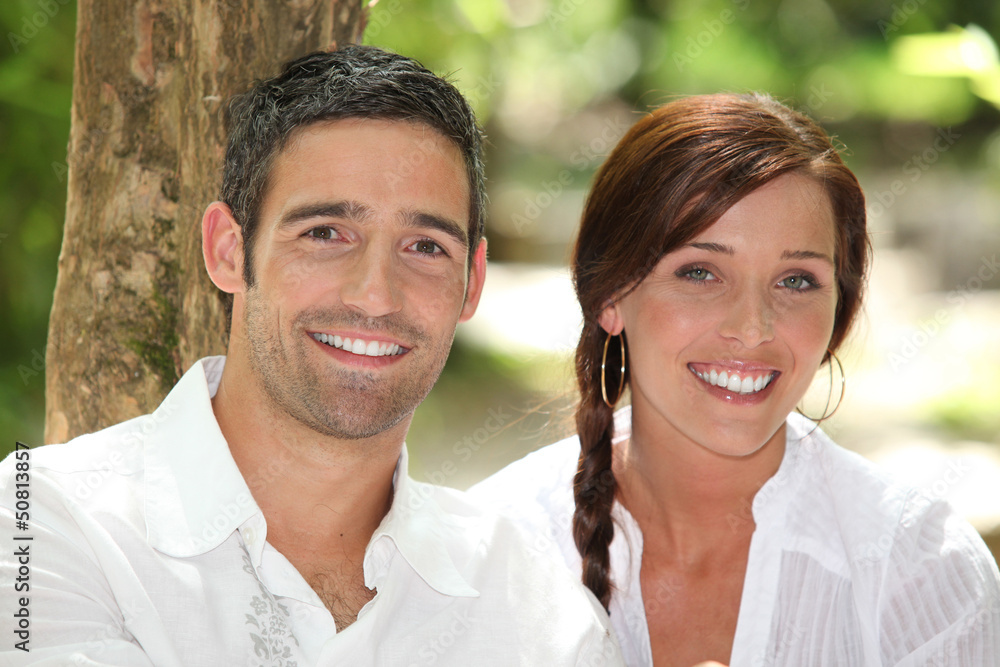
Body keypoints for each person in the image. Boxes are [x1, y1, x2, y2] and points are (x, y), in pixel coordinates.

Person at [0, 45, 622, 666]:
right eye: (325, 233)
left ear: (472, 282)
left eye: (425, 247)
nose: (375, 295)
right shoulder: (43, 524)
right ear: (227, 250)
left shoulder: (535, 603)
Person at [471, 93, 1000, 666]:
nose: (753, 329)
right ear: (610, 295)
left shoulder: (922, 571)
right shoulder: (490, 551)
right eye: (700, 272)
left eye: (796, 281)